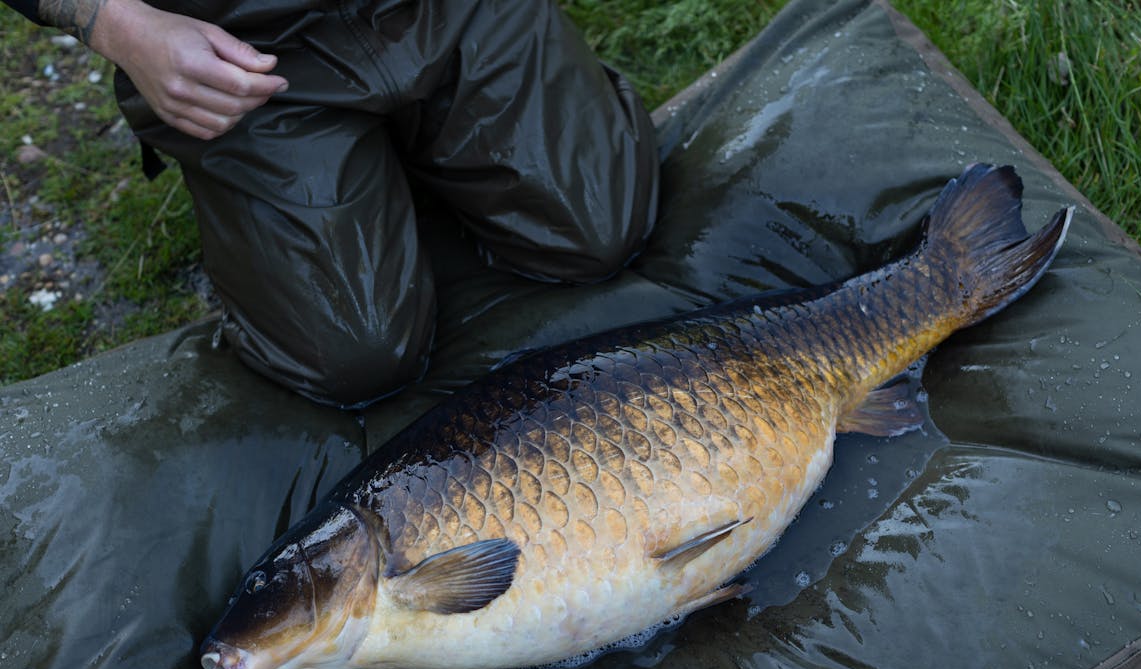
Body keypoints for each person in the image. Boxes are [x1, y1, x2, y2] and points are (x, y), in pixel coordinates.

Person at [7, 0, 660, 407]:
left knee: (600, 228)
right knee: (355, 357)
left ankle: (425, 145)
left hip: (446, 9)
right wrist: (117, 23)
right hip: (248, 53)